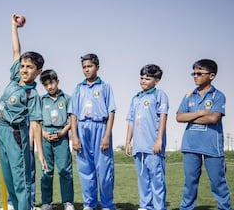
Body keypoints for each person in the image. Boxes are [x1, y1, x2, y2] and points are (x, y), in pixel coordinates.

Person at [0, 14, 48, 210]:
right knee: (8, 178)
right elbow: (16, 50)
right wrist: (14, 27)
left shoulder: (33, 95)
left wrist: (39, 153)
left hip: (17, 135)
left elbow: (35, 124)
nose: (25, 70)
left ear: (39, 71)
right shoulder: (14, 77)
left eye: (30, 67)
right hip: (1, 131)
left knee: (21, 181)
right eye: (23, 66)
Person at [177, 59, 232, 210]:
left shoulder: (218, 96)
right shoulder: (189, 96)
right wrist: (201, 113)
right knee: (190, 182)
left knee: (218, 183)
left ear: (212, 75)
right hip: (190, 145)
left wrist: (191, 116)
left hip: (211, 146)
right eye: (193, 73)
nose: (195, 76)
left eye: (199, 73)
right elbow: (179, 117)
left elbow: (214, 118)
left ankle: (225, 208)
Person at [69, 53, 116, 210]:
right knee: (85, 170)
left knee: (104, 171)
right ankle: (89, 204)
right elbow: (73, 114)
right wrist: (74, 137)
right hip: (82, 129)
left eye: (90, 66)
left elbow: (111, 112)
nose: (87, 70)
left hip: (100, 128)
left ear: (97, 67)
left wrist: (107, 135)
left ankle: (107, 204)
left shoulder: (104, 86)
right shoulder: (78, 88)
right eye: (84, 67)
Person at [125, 64, 169, 210]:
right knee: (142, 179)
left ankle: (159, 207)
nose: (143, 80)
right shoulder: (135, 98)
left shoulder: (159, 95)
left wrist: (159, 140)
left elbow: (163, 118)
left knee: (157, 180)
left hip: (153, 147)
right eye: (142, 77)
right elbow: (131, 121)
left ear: (156, 80)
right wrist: (128, 141)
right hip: (139, 147)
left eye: (147, 78)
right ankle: (145, 206)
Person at [39, 69, 75, 210]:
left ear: (57, 81)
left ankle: (68, 202)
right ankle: (47, 202)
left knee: (65, 170)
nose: (50, 87)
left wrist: (64, 131)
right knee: (46, 170)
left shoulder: (66, 98)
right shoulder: (41, 100)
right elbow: (36, 121)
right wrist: (43, 133)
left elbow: (72, 119)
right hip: (46, 136)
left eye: (52, 83)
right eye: (46, 84)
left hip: (62, 136)